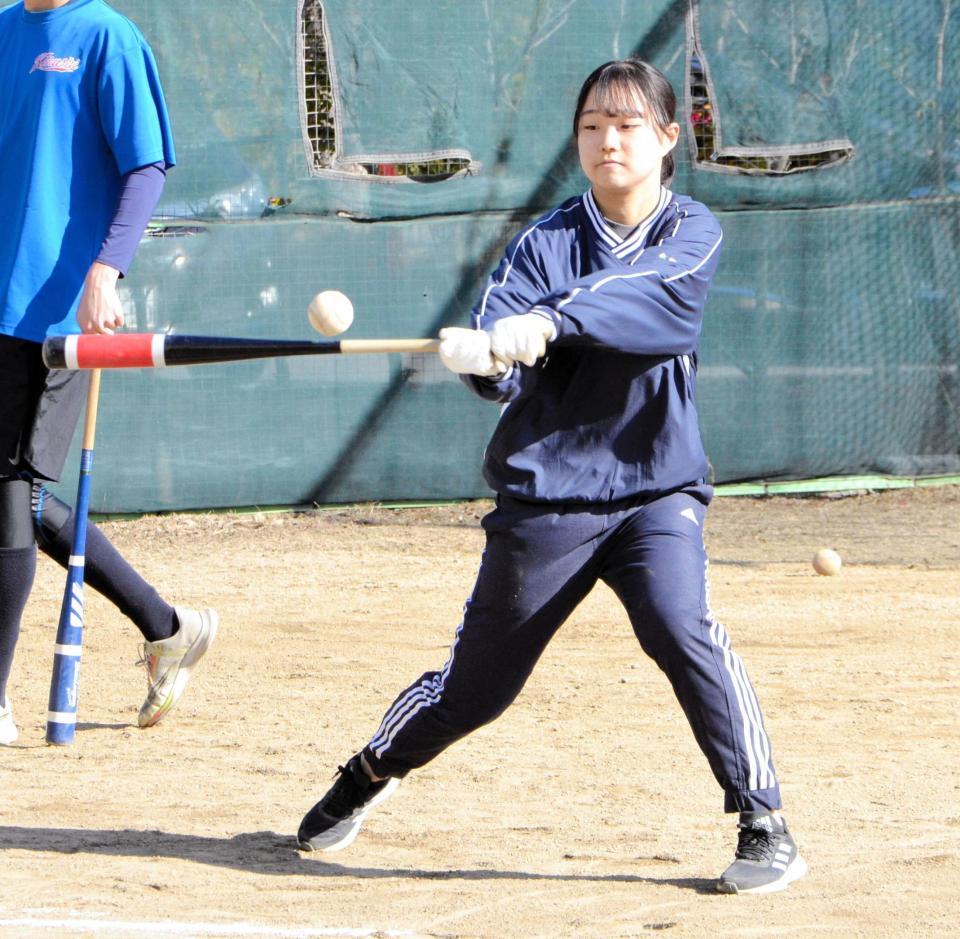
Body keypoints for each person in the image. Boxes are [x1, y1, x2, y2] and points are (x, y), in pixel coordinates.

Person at [296, 58, 807, 895]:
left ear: (667, 138)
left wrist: (553, 318)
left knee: (684, 629)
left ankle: (765, 820)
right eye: (593, 127)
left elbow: (658, 304)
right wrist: (484, 359)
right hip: (549, 497)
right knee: (474, 693)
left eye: (628, 125)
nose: (609, 140)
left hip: (654, 489)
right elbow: (507, 361)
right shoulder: (545, 242)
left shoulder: (692, 232)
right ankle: (366, 771)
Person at [0, 0, 217, 746]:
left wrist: (107, 267)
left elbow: (147, 164)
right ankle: (167, 626)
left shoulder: (107, 36)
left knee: (10, 492)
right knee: (16, 498)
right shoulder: (2, 28)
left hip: (56, 310)